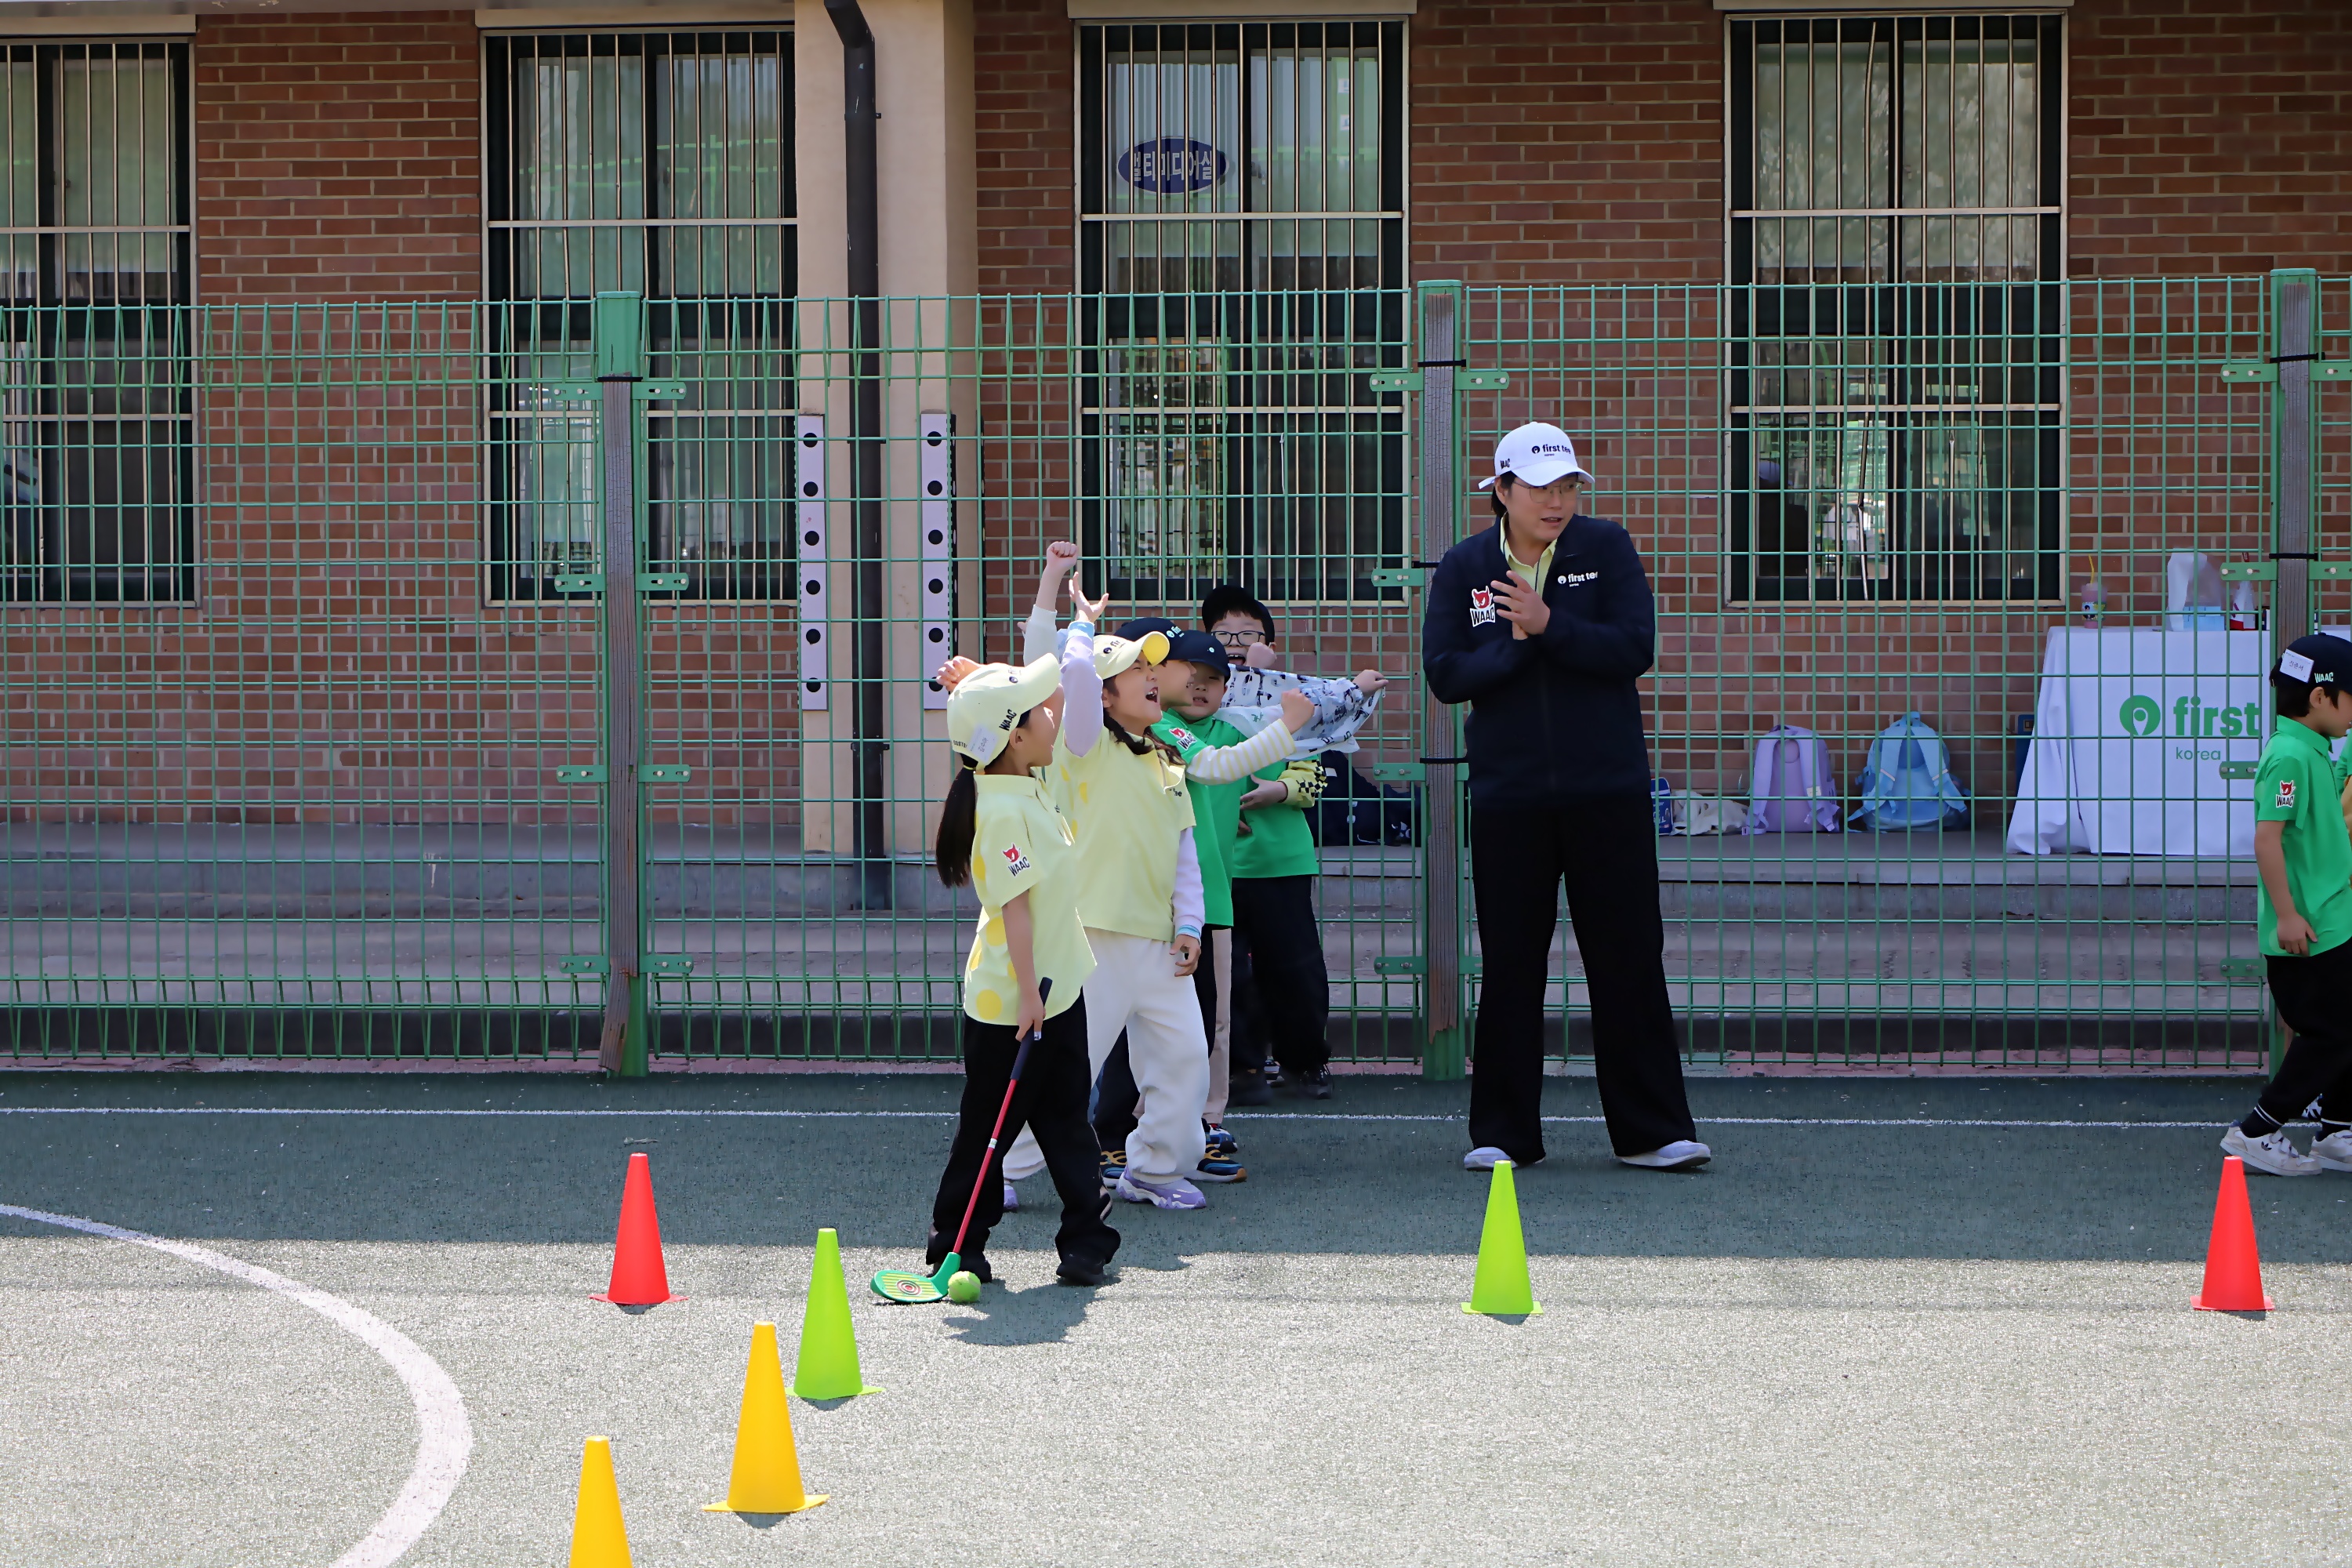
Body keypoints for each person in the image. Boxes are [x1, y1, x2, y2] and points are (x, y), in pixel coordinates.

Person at [1421, 421, 1710, 1174]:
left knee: (1628, 957)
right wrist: (1515, 646)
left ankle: (1651, 1132)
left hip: (1607, 792)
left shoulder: (1605, 547)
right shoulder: (1465, 566)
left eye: (1568, 487)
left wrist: (1550, 625)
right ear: (1502, 490)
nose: (1557, 502)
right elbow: (1446, 674)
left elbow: (1633, 648)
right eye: (1541, 488)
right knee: (1512, 963)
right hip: (1509, 799)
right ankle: (1504, 1135)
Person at [949, 546, 1216, 1210]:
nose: (1151, 676)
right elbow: (1053, 675)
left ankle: (1154, 1171)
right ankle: (1005, 1170)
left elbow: (1185, 856)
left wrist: (1190, 923)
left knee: (1186, 1059)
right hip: (1091, 943)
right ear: (1100, 694)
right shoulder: (1082, 748)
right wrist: (1074, 616)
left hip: (1158, 943)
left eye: (1153, 668)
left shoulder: (1164, 758)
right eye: (1134, 669)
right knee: (1067, 1074)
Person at [926, 643, 1120, 1287]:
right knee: (987, 1129)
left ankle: (1087, 1243)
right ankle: (956, 1247)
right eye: (1038, 712)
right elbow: (1016, 911)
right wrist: (1030, 997)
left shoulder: (1025, 780)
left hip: (1055, 988)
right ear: (1014, 737)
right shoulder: (1002, 807)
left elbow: (1056, 691)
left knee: (1067, 1123)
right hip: (1016, 1001)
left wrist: (983, 682)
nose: (1053, 714)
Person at [1200, 585, 1388, 1101]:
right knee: (1225, 975)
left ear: (1271, 645)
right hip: (1217, 863)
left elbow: (1314, 776)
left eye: (1248, 635)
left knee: (1294, 970)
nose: (1236, 646)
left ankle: (1303, 1062)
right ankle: (1238, 1068)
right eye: (1223, 635)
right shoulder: (1194, 704)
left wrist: (1277, 790)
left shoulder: (1296, 706)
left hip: (1280, 861)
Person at [2220, 634, 2352, 1177]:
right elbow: (2267, 840)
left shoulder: (2315, 751)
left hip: (2333, 921)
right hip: (2308, 930)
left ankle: (2337, 1131)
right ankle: (2256, 1131)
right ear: (2321, 697)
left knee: (2344, 1031)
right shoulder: (2290, 757)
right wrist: (2288, 915)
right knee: (2332, 1034)